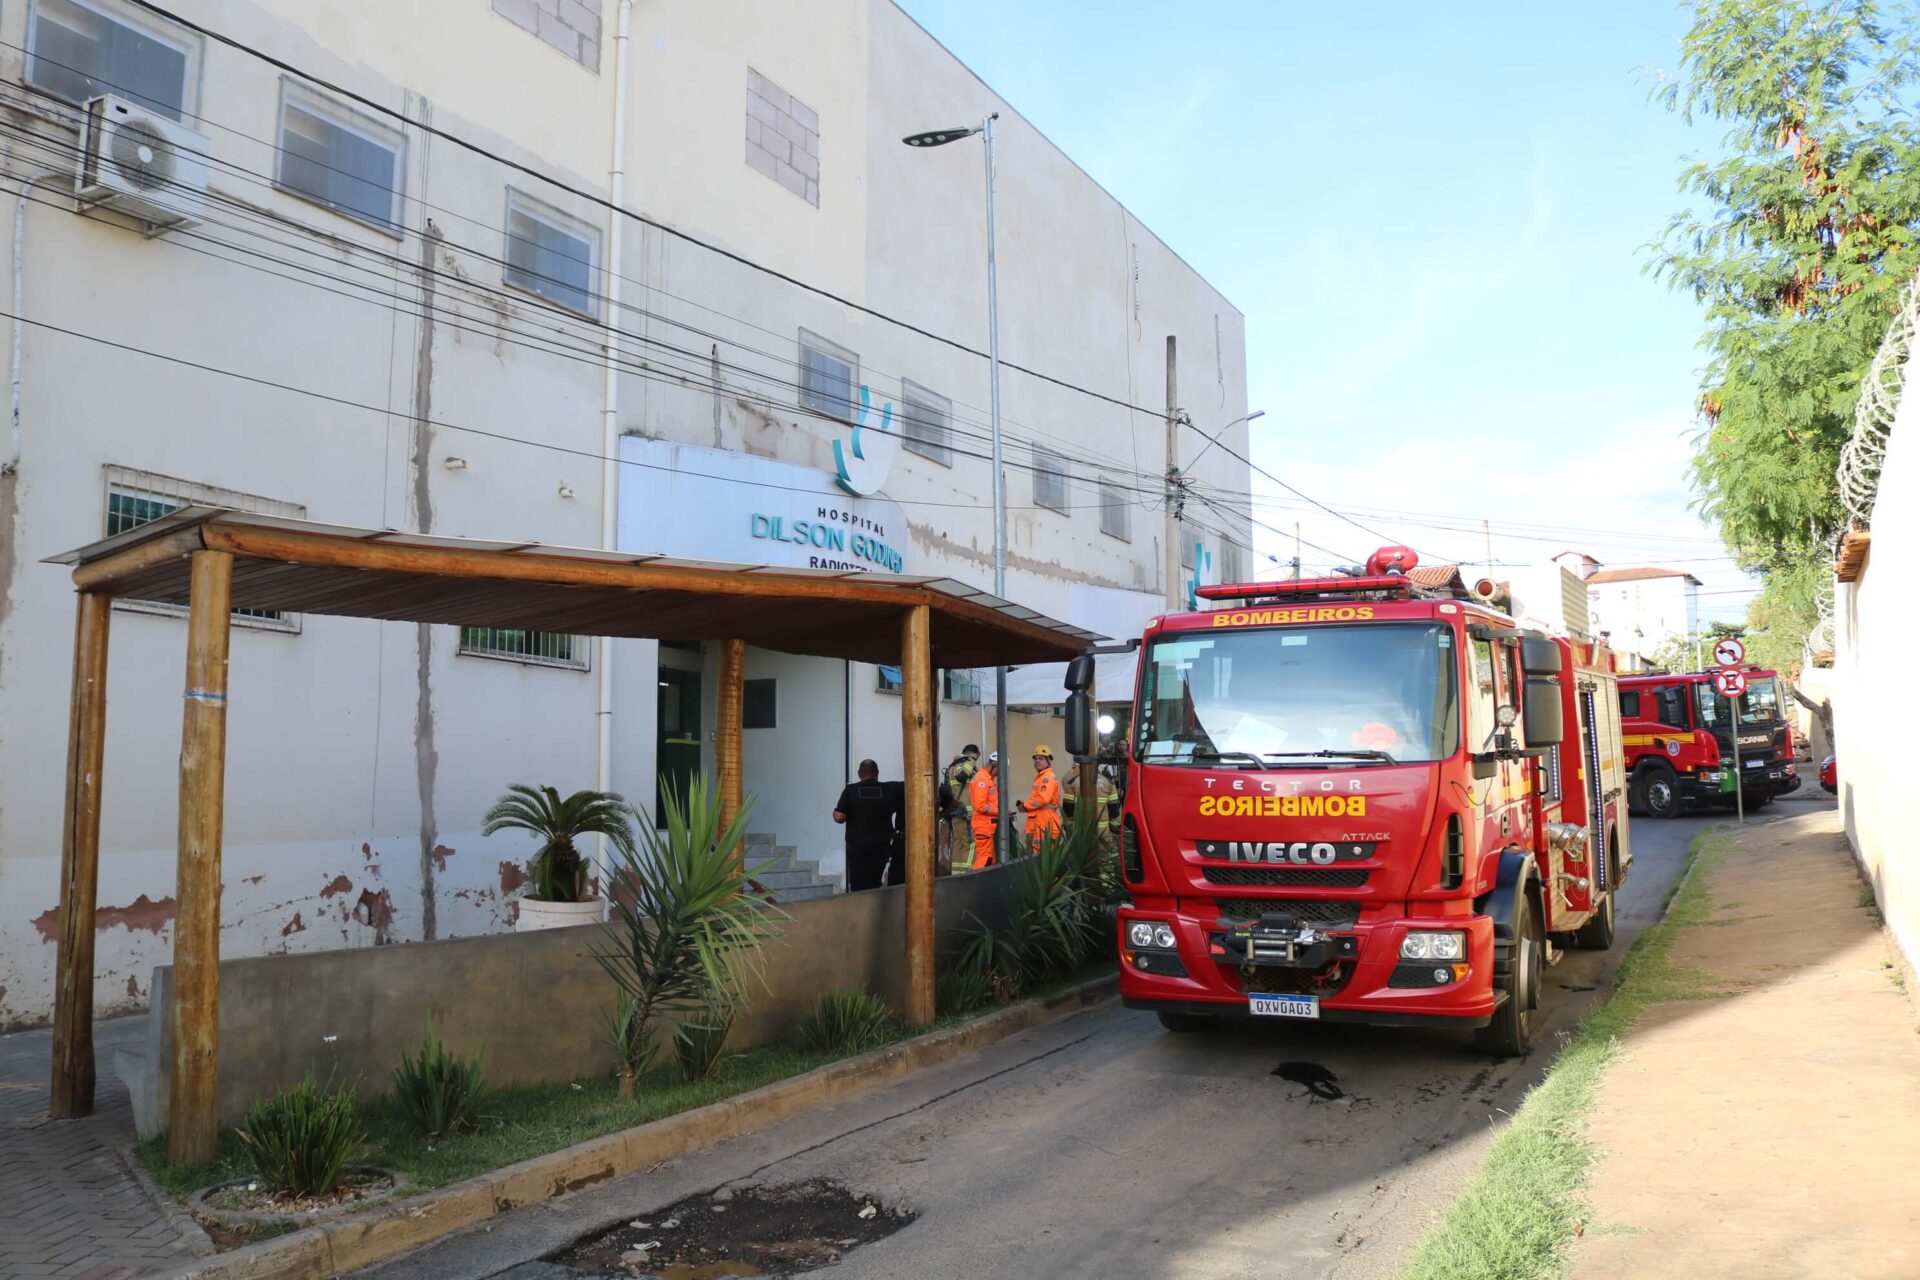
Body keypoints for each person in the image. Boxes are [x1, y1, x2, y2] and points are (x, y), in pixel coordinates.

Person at [833, 759, 897, 892]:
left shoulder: (851, 790)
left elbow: (839, 817)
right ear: (877, 773)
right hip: (881, 848)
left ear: (859, 774)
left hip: (858, 850)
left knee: (860, 887)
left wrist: (835, 812)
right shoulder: (889, 790)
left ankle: (863, 910)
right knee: (875, 883)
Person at [1017, 744, 1064, 852]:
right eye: (1035, 759)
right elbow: (1037, 799)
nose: (1037, 761)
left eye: (1041, 758)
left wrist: (1025, 805)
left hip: (1045, 822)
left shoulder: (1046, 778)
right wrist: (1025, 804)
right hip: (1040, 821)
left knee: (1044, 859)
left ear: (1048, 761)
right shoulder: (1040, 778)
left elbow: (1042, 799)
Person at [966, 753, 1000, 870]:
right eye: (998, 771)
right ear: (994, 765)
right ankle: (974, 884)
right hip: (983, 827)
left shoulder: (987, 779)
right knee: (984, 859)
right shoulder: (982, 779)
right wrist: (1000, 811)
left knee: (989, 859)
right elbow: (980, 806)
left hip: (987, 827)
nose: (998, 774)